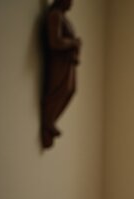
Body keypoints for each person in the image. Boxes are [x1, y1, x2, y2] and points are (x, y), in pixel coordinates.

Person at [41, 0, 81, 149]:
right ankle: (48, 121)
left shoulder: (63, 18)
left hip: (68, 61)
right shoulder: (55, 15)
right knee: (60, 89)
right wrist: (73, 43)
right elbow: (54, 42)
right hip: (59, 62)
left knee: (71, 90)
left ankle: (52, 121)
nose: (72, 3)